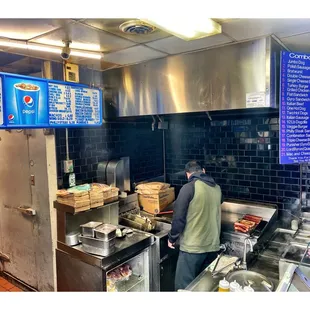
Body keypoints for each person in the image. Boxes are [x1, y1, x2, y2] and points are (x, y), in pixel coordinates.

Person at [168, 160, 223, 291]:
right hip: (212, 247)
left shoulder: (188, 188)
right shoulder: (217, 188)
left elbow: (178, 218)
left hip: (192, 249)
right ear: (203, 171)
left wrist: (172, 238)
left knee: (184, 289)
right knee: (205, 288)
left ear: (187, 174)